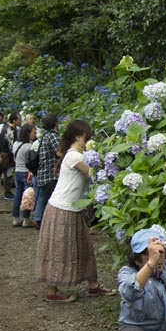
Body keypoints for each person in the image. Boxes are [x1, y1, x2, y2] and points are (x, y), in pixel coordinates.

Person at [33, 119, 114, 302]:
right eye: (87, 136)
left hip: (72, 209)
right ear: (78, 137)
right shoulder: (74, 157)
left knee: (85, 247)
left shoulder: (77, 154)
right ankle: (52, 292)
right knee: (59, 250)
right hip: (62, 209)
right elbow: (95, 174)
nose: (89, 139)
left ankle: (93, 286)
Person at [33, 113, 60, 230]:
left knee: (43, 197)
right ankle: (43, 222)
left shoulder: (44, 135)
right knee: (48, 199)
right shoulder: (52, 136)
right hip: (49, 174)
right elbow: (59, 152)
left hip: (42, 173)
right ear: (55, 124)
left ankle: (39, 220)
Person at [11, 123, 36, 228]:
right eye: (33, 132)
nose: (35, 134)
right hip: (26, 173)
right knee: (27, 196)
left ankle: (16, 217)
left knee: (18, 195)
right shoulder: (29, 146)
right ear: (28, 133)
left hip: (17, 171)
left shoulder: (15, 144)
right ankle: (26, 219)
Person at [0, 112, 21, 200]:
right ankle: (7, 192)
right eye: (19, 119)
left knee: (5, 173)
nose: (20, 121)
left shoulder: (13, 129)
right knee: (7, 173)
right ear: (14, 120)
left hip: (9, 153)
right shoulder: (8, 129)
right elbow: (7, 143)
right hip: (7, 154)